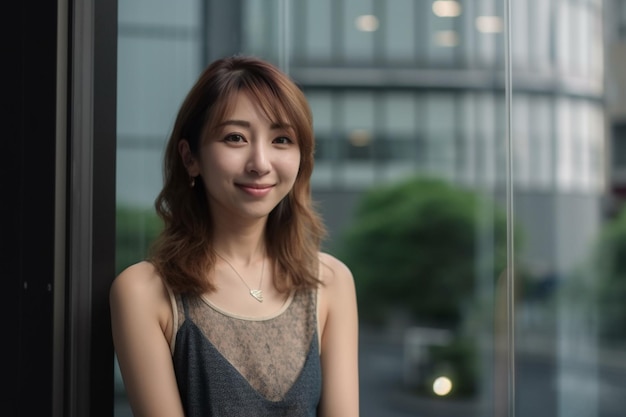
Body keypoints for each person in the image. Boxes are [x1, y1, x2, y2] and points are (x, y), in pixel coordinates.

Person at [109, 55, 359, 417]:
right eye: (235, 137)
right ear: (190, 157)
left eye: (282, 139)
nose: (260, 163)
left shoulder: (330, 281)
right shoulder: (143, 291)